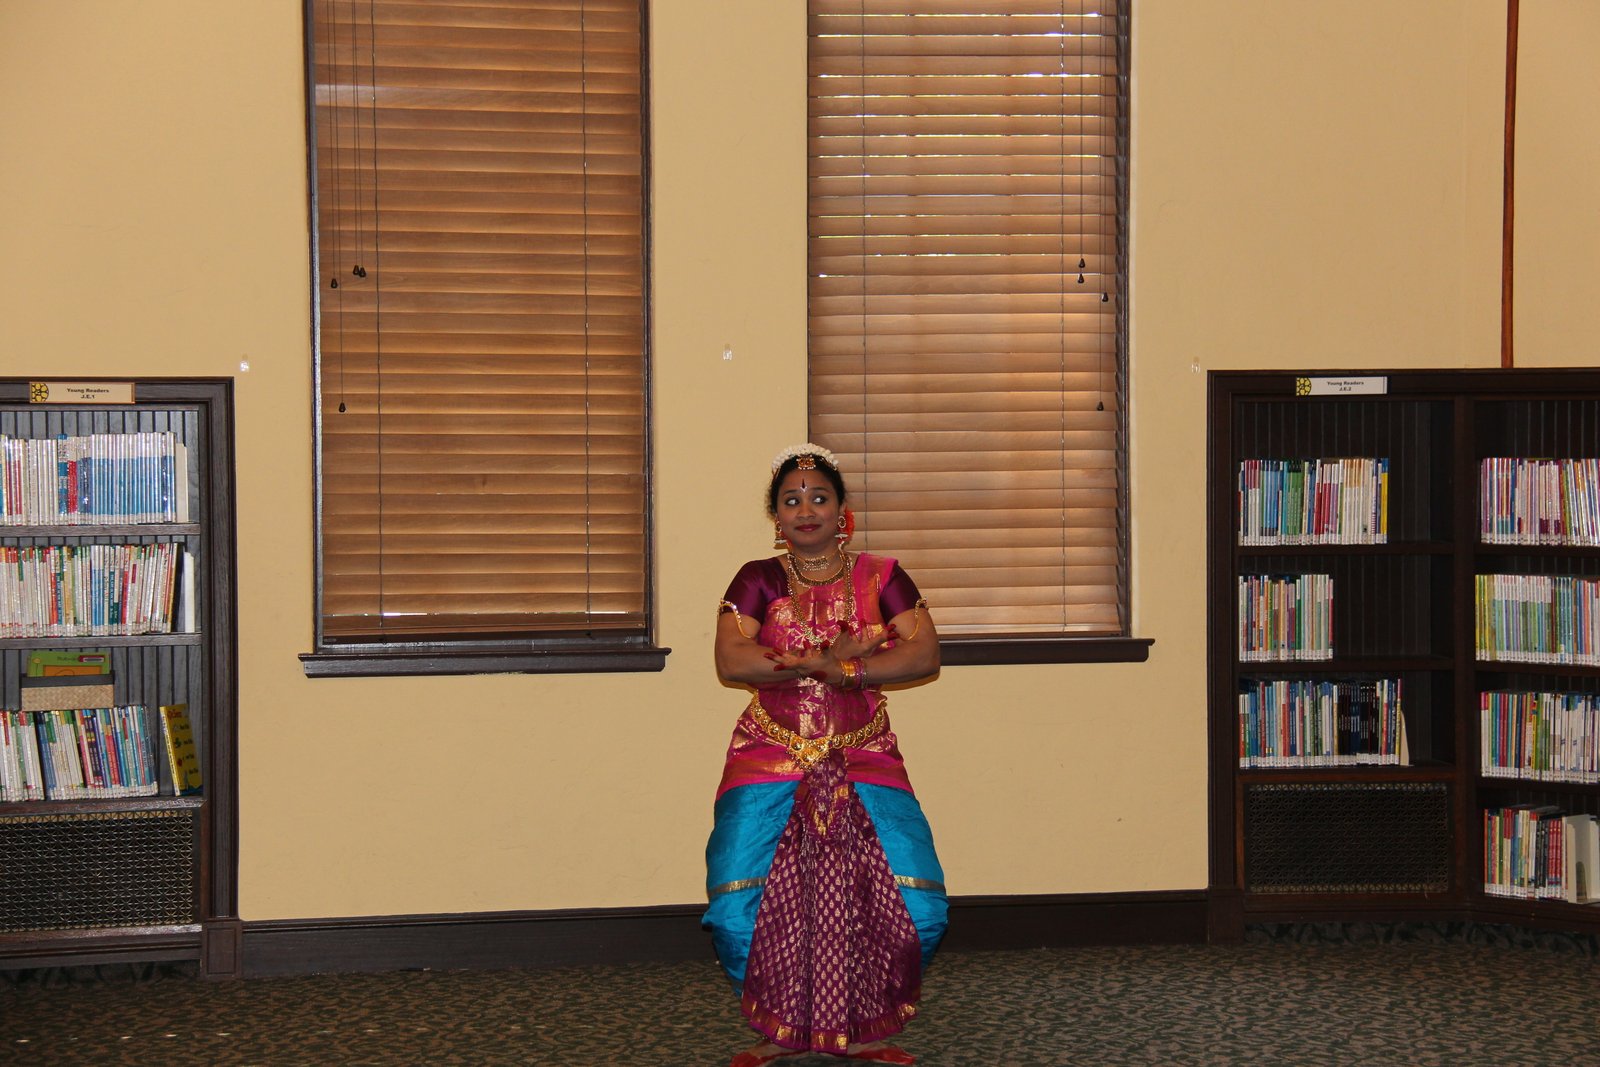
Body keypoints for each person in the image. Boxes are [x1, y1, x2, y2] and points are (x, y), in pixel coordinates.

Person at [705, 443, 948, 1067]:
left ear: (843, 511)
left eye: (819, 497)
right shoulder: (756, 579)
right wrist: (817, 664)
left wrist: (843, 671)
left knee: (917, 903)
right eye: (791, 501)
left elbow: (922, 656)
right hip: (769, 752)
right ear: (776, 518)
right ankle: (778, 1031)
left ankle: (863, 1027)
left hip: (864, 752)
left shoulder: (883, 577)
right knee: (736, 907)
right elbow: (733, 659)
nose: (805, 509)